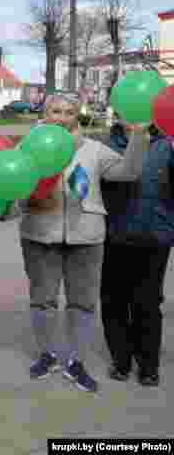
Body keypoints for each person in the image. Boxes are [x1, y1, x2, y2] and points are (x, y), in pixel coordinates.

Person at [21, 92, 147, 393]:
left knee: (83, 303)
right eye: (55, 111)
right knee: (42, 300)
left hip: (86, 236)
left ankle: (77, 361)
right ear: (45, 113)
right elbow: (15, 187)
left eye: (68, 112)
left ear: (77, 116)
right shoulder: (28, 147)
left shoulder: (93, 149)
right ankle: (47, 354)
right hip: (40, 233)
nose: (62, 118)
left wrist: (139, 136)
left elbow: (128, 172)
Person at [100, 118, 169, 387]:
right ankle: (121, 360)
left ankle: (148, 365)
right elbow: (85, 184)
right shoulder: (106, 146)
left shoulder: (166, 145)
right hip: (114, 237)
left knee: (148, 304)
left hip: (155, 237)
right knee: (114, 302)